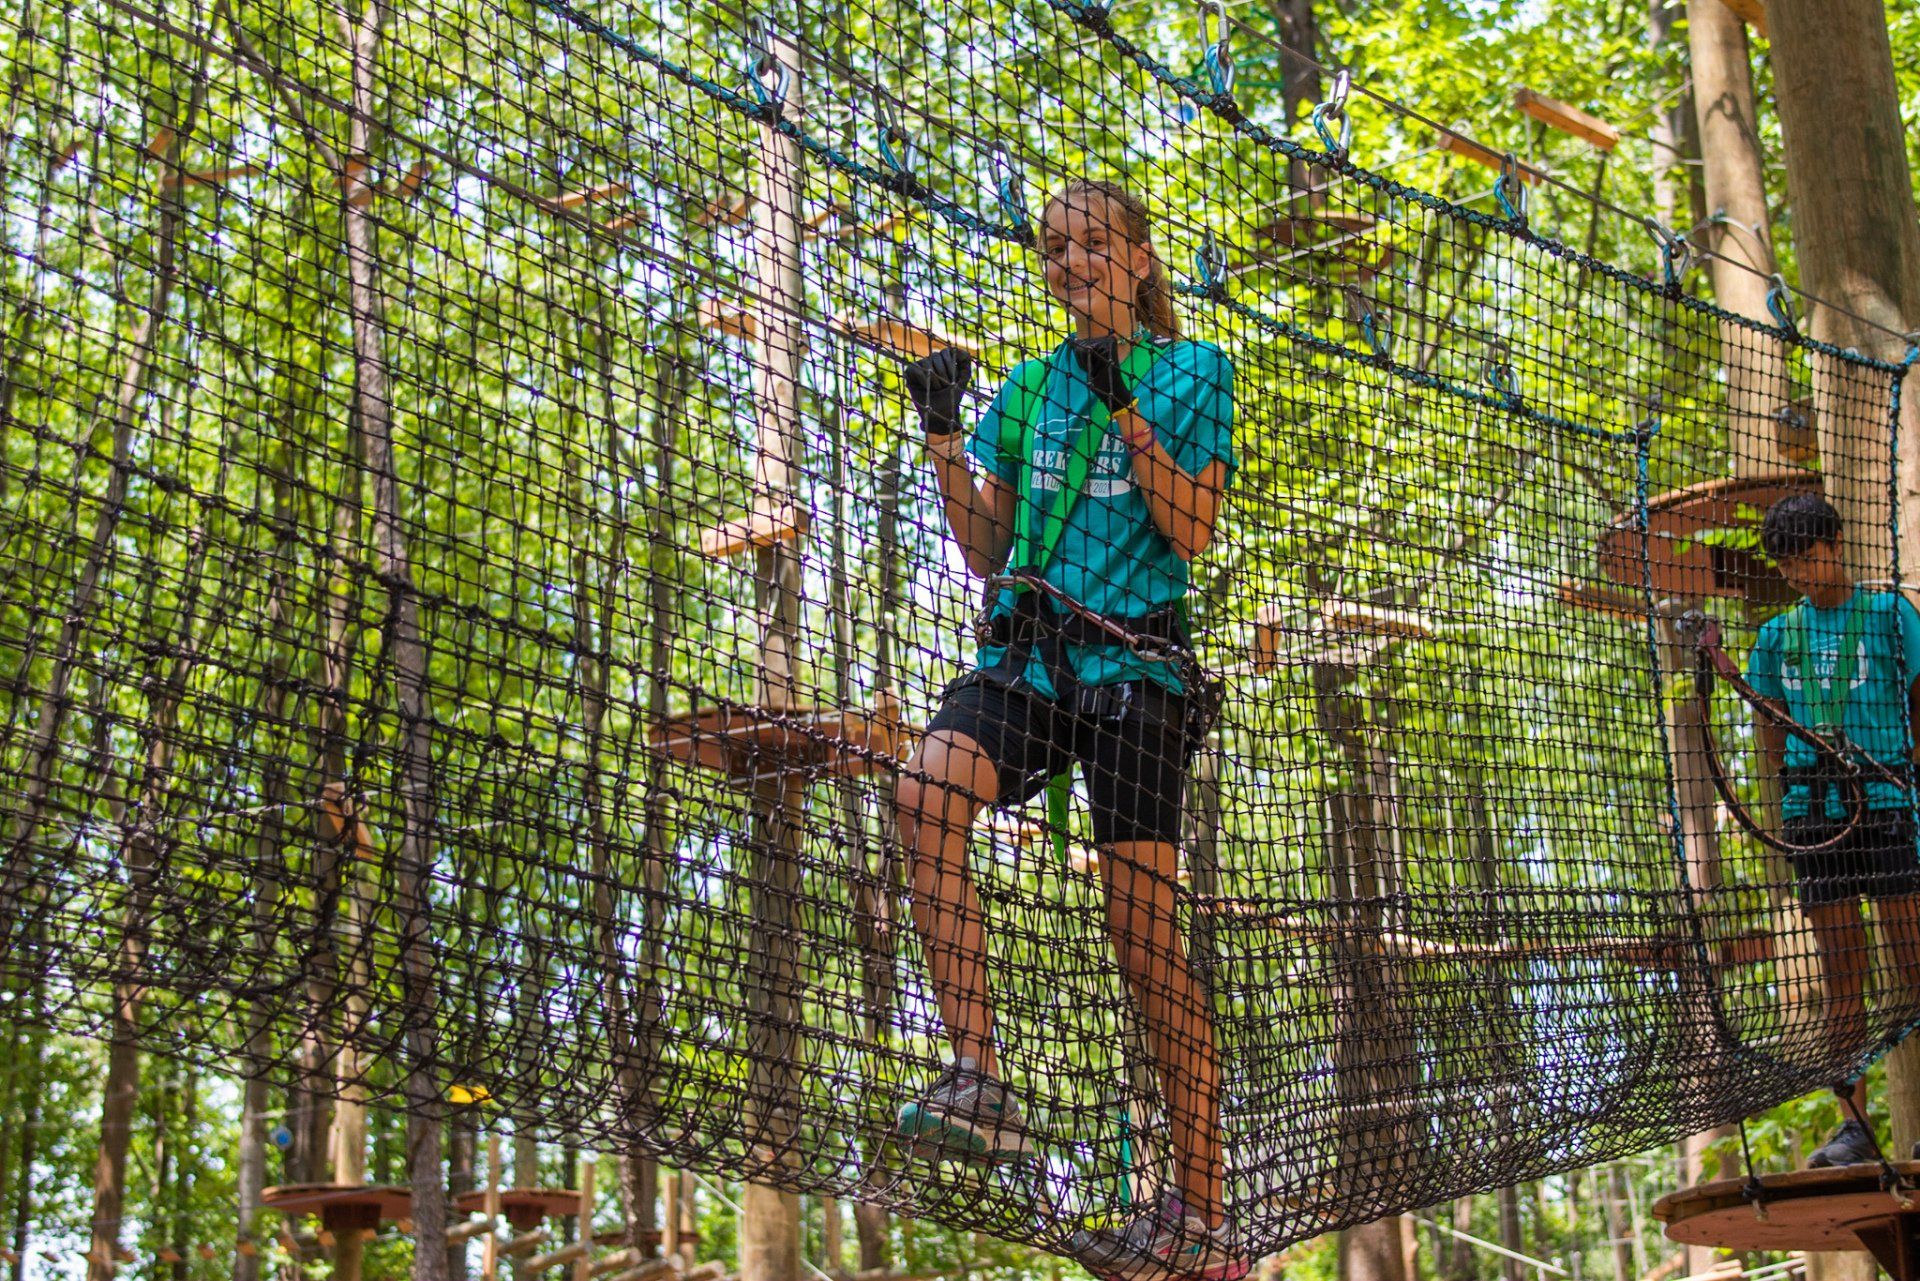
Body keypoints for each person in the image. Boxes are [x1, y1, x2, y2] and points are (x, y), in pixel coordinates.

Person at [889, 178, 1243, 1281]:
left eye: (1093, 243)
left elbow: (1190, 532)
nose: (1071, 261)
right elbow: (987, 550)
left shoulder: (1195, 369)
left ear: (1139, 260)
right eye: (1054, 247)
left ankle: (1201, 1214)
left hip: (1136, 668)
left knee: (1144, 942)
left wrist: (1125, 404)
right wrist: (945, 435)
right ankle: (978, 1072)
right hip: (1031, 656)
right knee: (924, 790)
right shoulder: (1032, 387)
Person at [1745, 492, 1920, 1166]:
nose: (1799, 575)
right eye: (1787, 566)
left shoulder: (1887, 614)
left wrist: (1903, 775)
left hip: (1884, 803)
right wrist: (1790, 795)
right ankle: (1854, 1126)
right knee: (1842, 966)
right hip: (1815, 819)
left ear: (1836, 544)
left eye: (1807, 559)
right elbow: (1768, 721)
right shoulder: (1775, 637)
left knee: (1910, 955)